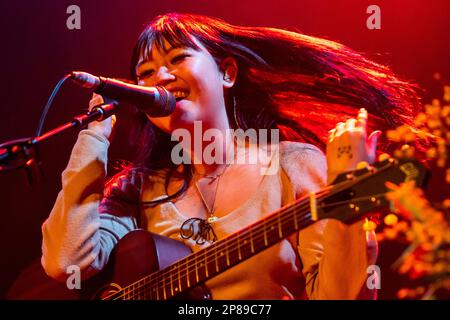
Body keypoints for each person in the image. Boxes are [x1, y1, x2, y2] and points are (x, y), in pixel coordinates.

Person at [40, 13, 421, 299]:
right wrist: (94, 135)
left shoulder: (291, 164)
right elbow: (66, 262)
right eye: (146, 72)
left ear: (227, 72)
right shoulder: (139, 188)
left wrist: (345, 194)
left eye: (176, 59)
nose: (160, 77)